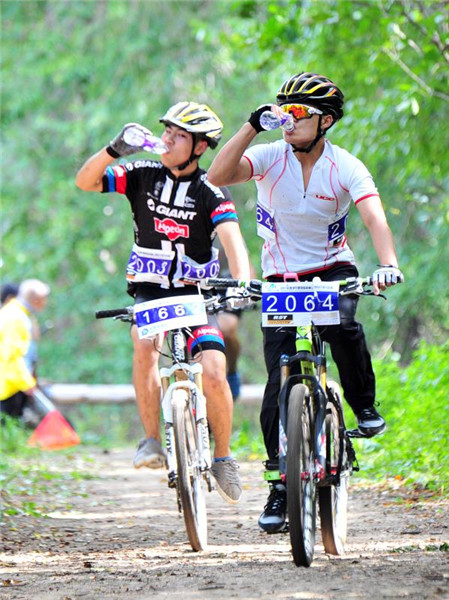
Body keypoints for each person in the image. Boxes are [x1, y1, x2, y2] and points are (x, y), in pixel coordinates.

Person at [207, 72, 404, 531]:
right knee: (278, 384)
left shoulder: (346, 166)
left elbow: (374, 218)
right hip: (280, 277)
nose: (287, 121)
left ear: (326, 121)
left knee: (344, 329)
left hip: (332, 269)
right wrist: (251, 126)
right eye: (282, 111)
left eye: (298, 113)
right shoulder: (269, 155)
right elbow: (216, 177)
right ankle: (279, 487)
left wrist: (388, 262)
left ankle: (364, 406)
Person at [75, 101, 251, 504]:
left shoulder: (210, 190)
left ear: (200, 148)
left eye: (179, 135)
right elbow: (85, 182)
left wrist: (242, 284)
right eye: (166, 131)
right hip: (151, 290)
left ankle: (222, 456)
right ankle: (151, 440)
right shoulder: (140, 174)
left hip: (198, 294)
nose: (167, 139)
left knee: (214, 367)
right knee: (142, 341)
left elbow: (233, 241)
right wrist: (114, 149)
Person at [213, 237, 257, 401]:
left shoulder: (222, 226)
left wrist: (249, 288)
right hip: (196, 281)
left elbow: (244, 260)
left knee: (226, 327)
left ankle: (231, 372)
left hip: (228, 282)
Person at [0, 279, 50, 419]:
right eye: (44, 299)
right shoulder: (15, 317)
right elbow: (12, 355)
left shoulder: (18, 313)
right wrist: (26, 382)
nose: (45, 303)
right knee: (8, 425)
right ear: (36, 299)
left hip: (14, 382)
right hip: (10, 385)